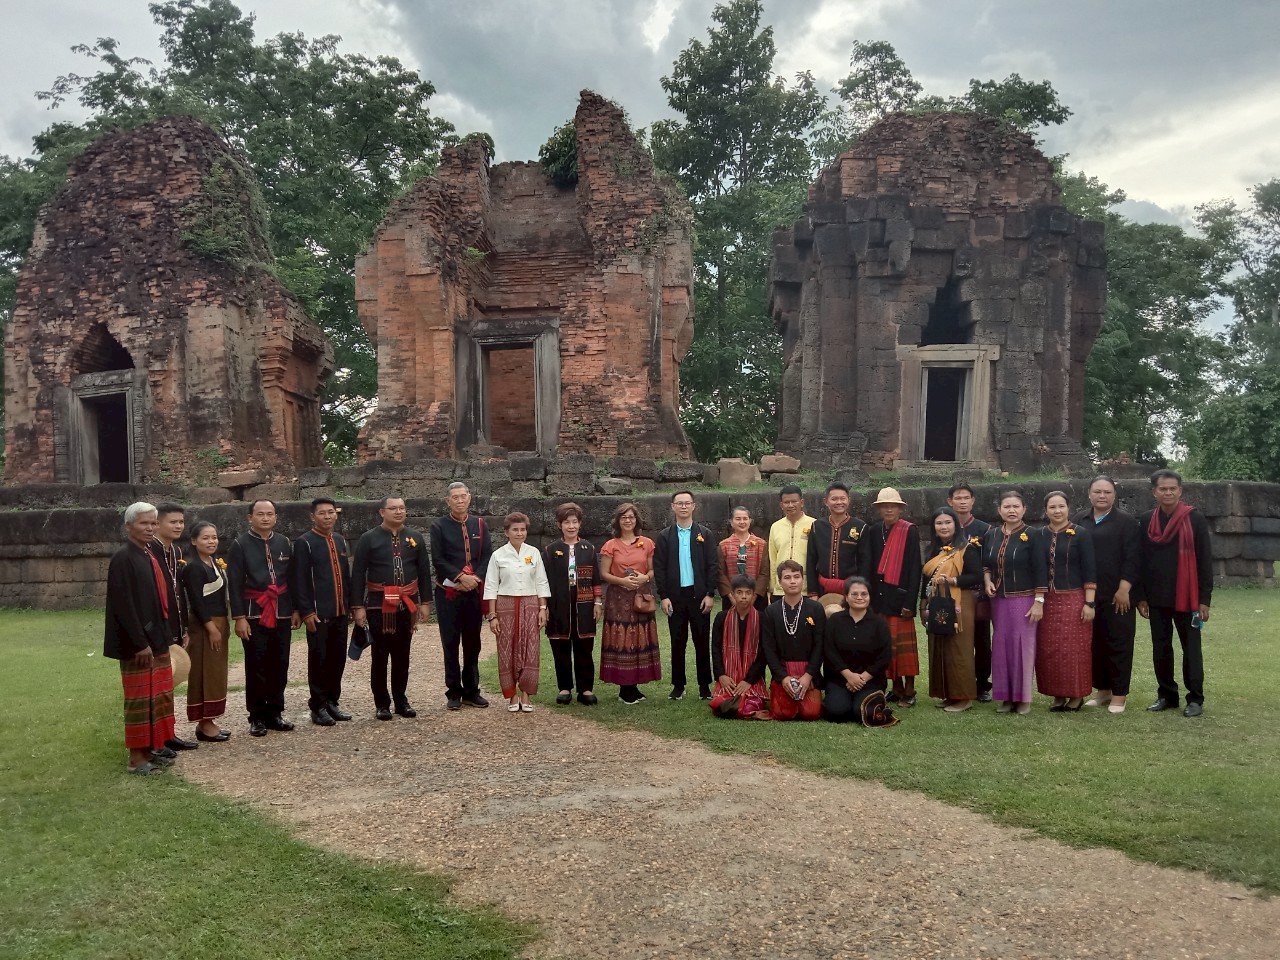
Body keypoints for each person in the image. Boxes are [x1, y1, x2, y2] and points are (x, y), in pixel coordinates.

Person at [104, 502, 180, 774]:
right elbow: (123, 606)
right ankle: (136, 758)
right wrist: (139, 643)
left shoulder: (146, 554)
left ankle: (150, 748)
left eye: (153, 523)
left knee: (156, 696)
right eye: (143, 523)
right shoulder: (124, 558)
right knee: (139, 699)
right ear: (128, 527)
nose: (150, 528)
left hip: (155, 638)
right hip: (137, 643)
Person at [1135, 469, 1213, 717]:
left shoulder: (1195, 519)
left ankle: (1195, 698)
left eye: (1172, 488)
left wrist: (1204, 600)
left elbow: (1204, 561)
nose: (1168, 492)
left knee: (1191, 648)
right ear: (1154, 492)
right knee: (1161, 647)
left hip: (1187, 596)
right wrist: (1141, 596)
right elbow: (1142, 561)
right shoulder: (1147, 519)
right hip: (1157, 596)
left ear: (1180, 490)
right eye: (1162, 489)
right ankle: (1166, 694)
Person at [352, 495, 431, 721]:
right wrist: (358, 606)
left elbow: (424, 571)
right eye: (393, 508)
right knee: (380, 655)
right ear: (382, 512)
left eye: (402, 508)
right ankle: (382, 703)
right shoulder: (368, 539)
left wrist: (425, 602)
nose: (398, 512)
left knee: (402, 654)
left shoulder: (415, 537)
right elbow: (358, 573)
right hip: (379, 605)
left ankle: (400, 699)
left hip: (407, 604)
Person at [228, 499, 295, 738]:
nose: (265, 518)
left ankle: (275, 712)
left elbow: (293, 578)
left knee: (280, 663)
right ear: (250, 517)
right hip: (254, 611)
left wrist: (295, 609)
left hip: (282, 611)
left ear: (276, 517)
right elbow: (234, 584)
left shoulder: (285, 543)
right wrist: (239, 617)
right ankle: (256, 716)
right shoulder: (240, 544)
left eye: (270, 514)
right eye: (260, 514)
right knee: (257, 665)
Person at [1077, 475, 1142, 714]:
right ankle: (1102, 690)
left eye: (1107, 492)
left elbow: (1134, 557)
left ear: (1114, 495)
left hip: (1118, 595)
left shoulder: (1125, 522)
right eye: (1097, 492)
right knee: (1095, 644)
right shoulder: (1079, 521)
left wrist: (1125, 589)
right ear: (1089, 494)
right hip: (1088, 596)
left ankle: (1119, 694)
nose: (1102, 496)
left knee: (1119, 643)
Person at [982, 491, 1048, 715]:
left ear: (1024, 509)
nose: (1011, 510)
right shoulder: (991, 535)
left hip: (1025, 598)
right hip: (999, 600)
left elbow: (1041, 569)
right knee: (1001, 646)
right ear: (999, 510)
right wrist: (987, 579)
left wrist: (1039, 601)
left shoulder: (1033, 535)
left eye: (1016, 506)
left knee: (1023, 647)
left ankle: (1023, 698)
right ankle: (1005, 697)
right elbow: (986, 563)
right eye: (1007, 506)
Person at [429, 482, 492, 711]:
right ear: (448, 501)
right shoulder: (438, 526)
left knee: (473, 643)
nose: (459, 500)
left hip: (474, 590)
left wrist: (475, 578)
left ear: (469, 498)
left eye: (463, 496)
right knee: (451, 642)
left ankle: (472, 690)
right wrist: (459, 578)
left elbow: (486, 556)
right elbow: (438, 558)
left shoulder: (480, 524)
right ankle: (453, 691)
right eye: (454, 497)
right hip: (448, 593)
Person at [291, 497, 353, 727]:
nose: (327, 517)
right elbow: (299, 579)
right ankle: (317, 705)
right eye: (322, 513)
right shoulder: (304, 543)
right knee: (319, 659)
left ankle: (332, 701)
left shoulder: (339, 540)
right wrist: (306, 611)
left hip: (339, 610)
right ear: (312, 516)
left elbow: (345, 576)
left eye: (331, 512)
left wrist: (350, 604)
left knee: (337, 658)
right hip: (318, 612)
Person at [653, 490, 719, 700]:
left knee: (701, 641)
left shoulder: (704, 534)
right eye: (679, 503)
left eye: (687, 503)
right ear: (672, 506)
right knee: (677, 642)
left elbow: (712, 565)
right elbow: (660, 568)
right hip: (675, 596)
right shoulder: (665, 536)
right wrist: (663, 596)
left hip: (699, 595)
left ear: (694, 506)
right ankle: (678, 685)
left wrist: (710, 593)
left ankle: (704, 685)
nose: (683, 507)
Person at [1035, 491, 1098, 712]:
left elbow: (1090, 569)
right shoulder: (1039, 535)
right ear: (1046, 510)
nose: (1057, 511)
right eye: (1052, 507)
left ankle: (1076, 694)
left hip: (1074, 598)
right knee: (1049, 649)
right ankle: (1057, 694)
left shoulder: (1081, 534)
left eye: (1061, 506)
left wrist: (1089, 603)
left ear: (1068, 508)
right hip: (1047, 600)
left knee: (1074, 648)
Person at [484, 512, 551, 713]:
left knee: (531, 647)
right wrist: (493, 616)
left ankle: (526, 694)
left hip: (530, 604)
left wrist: (542, 608)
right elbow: (491, 586)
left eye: (522, 529)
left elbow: (541, 581)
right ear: (507, 532)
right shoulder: (498, 555)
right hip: (505, 605)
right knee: (506, 648)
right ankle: (511, 694)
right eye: (515, 529)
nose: (519, 533)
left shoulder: (534, 553)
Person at [861, 487, 922, 706]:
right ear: (879, 509)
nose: (889, 509)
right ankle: (895, 688)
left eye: (893, 506)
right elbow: (869, 565)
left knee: (904, 648)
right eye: (884, 506)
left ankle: (909, 690)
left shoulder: (909, 531)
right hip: (880, 598)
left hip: (900, 597)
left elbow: (915, 568)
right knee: (887, 646)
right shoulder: (874, 531)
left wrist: (910, 602)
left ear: (899, 509)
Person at [598, 502, 662, 704]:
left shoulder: (647, 543)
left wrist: (645, 578)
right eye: (624, 517)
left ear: (637, 520)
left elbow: (653, 570)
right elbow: (604, 574)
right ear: (618, 521)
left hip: (641, 595)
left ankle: (635, 685)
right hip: (618, 597)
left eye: (631, 517)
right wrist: (622, 581)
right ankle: (624, 687)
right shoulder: (611, 546)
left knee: (639, 638)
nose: (628, 521)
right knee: (622, 638)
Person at [920, 506, 981, 712]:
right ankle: (948, 694)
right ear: (934, 527)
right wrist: (922, 605)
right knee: (940, 647)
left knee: (959, 649)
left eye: (948, 522)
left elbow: (976, 576)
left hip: (959, 603)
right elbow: (926, 580)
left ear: (956, 524)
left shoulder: (967, 548)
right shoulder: (932, 550)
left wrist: (953, 580)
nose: (944, 526)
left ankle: (964, 698)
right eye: (939, 523)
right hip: (936, 602)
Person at [544, 502, 602, 706]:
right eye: (566, 522)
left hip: (584, 603)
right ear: (559, 525)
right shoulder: (550, 550)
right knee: (560, 646)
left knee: (584, 646)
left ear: (580, 524)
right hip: (558, 604)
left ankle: (586, 688)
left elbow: (596, 577)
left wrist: (597, 602)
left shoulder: (589, 548)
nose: (571, 526)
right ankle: (565, 687)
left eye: (574, 522)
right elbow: (544, 581)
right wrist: (544, 606)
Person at [150, 503, 197, 752]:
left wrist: (184, 628)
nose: (179, 526)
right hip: (158, 630)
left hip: (176, 627)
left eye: (181, 522)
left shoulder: (174, 551)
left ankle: (169, 734)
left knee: (168, 686)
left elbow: (179, 593)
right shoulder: (151, 552)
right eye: (173, 522)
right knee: (156, 688)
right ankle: (155, 739)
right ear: (158, 524)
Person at [822, 576, 897, 726]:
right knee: (837, 712)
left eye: (864, 594)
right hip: (840, 679)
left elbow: (884, 657)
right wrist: (848, 675)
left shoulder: (879, 624)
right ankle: (843, 701)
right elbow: (829, 651)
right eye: (854, 594)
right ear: (846, 597)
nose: (859, 597)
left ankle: (869, 701)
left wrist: (862, 678)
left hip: (870, 681)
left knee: (860, 712)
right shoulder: (835, 621)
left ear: (869, 597)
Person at [181, 520, 231, 742]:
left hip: (219, 622)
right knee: (204, 671)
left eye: (214, 537)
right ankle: (204, 722)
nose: (211, 541)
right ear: (194, 541)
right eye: (205, 538)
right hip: (205, 625)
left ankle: (209, 719)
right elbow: (196, 601)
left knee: (216, 672)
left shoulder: (214, 563)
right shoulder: (193, 566)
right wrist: (211, 628)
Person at [761, 560, 825, 721]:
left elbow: (820, 646)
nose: (793, 581)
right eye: (787, 577)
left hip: (808, 672)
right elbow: (768, 648)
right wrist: (783, 678)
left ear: (802, 580)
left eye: (797, 576)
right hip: (783, 671)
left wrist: (808, 675)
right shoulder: (771, 611)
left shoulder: (815, 609)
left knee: (811, 713)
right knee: (782, 713)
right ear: (779, 582)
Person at [948, 483, 994, 702]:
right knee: (955, 639)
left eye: (966, 498)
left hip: (978, 592)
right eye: (958, 498)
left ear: (973, 501)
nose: (962, 502)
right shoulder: (947, 527)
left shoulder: (984, 529)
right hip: (953, 591)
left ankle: (982, 684)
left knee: (982, 641)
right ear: (950, 502)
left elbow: (990, 560)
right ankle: (957, 682)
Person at [709, 574, 770, 719]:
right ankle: (744, 708)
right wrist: (721, 675)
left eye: (748, 593)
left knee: (752, 702)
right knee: (718, 704)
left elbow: (764, 653)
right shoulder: (722, 617)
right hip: (728, 679)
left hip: (751, 680)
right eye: (739, 592)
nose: (744, 597)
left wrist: (748, 680)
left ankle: (744, 706)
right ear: (733, 594)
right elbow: (715, 649)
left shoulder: (762, 618)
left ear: (753, 595)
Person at [806, 482, 865, 597]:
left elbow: (865, 562)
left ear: (849, 500)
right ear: (826, 501)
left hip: (851, 588)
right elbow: (811, 559)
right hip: (822, 586)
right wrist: (813, 592)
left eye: (842, 498)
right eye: (834, 499)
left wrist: (861, 590)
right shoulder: (817, 526)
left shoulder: (860, 527)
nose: (839, 502)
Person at [716, 506, 769, 610]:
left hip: (757, 598)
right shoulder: (724, 545)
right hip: (731, 597)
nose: (742, 522)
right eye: (738, 519)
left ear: (750, 521)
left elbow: (764, 572)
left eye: (745, 518)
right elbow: (720, 573)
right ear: (731, 522)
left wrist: (753, 596)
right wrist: (731, 596)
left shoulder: (761, 544)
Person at [767, 485, 815, 600]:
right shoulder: (776, 527)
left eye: (794, 501)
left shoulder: (814, 524)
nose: (790, 505)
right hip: (780, 589)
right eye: (786, 502)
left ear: (802, 502)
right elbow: (772, 558)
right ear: (781, 505)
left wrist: (814, 589)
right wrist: (772, 586)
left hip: (806, 589)